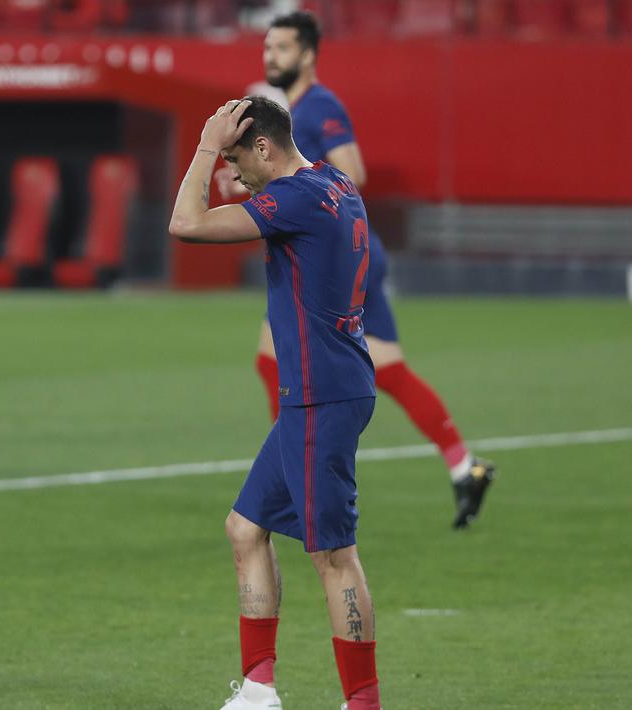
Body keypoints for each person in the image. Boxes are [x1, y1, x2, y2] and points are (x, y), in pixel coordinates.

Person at [229, 11, 494, 529]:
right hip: (333, 254)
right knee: (381, 367)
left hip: (331, 258)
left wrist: (286, 197)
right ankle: (465, 466)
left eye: (280, 48)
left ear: (307, 54)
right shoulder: (292, 112)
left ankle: (292, 472)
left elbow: (353, 172)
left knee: (280, 361)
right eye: (266, 48)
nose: (270, 57)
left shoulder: (320, 106)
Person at [170, 97, 382, 710]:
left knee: (334, 555)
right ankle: (259, 690)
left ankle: (362, 704)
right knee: (245, 528)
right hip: (322, 388)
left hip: (322, 394)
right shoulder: (332, 184)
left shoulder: (293, 199)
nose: (233, 174)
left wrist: (206, 142)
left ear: (263, 146)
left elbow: (186, 224)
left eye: (240, 158)